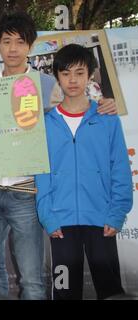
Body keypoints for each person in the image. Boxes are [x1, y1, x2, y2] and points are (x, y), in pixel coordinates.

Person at [0, 10, 119, 300]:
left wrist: (106, 103)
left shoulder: (48, 85)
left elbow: (77, 109)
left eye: (20, 41)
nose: (13, 48)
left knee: (32, 277)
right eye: (6, 41)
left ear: (30, 46)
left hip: (27, 191)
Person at [35, 44, 133, 300]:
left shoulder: (107, 119)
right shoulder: (45, 124)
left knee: (110, 289)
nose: (73, 80)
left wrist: (116, 213)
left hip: (101, 220)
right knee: (65, 290)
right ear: (57, 76)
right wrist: (48, 216)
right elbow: (41, 173)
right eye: (66, 73)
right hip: (61, 223)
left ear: (89, 74)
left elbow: (120, 168)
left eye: (79, 72)